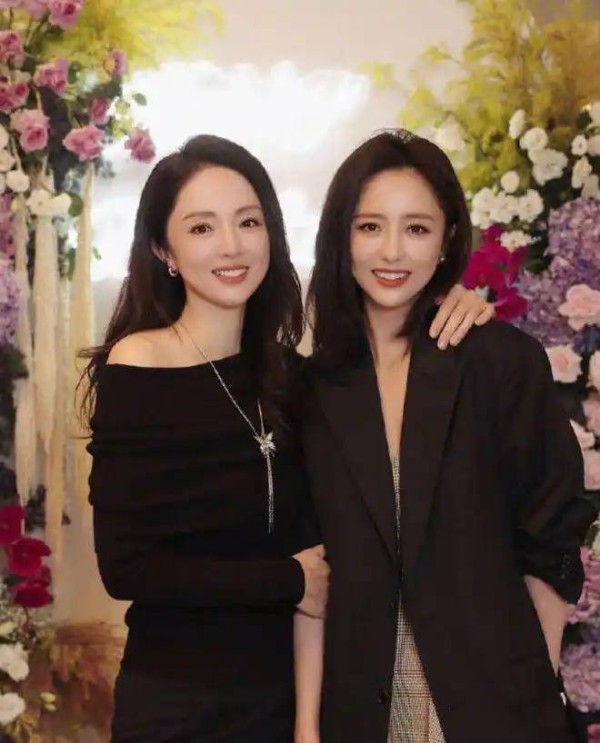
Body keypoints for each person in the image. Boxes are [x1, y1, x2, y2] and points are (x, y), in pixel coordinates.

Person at [83, 134, 491, 743]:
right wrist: (288, 581)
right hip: (178, 703)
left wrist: (452, 300)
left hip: (287, 702)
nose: (231, 245)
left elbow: (324, 542)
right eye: (201, 228)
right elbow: (127, 568)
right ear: (164, 249)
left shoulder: (294, 378)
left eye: (248, 222)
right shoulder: (141, 365)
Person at [298, 130, 596, 743]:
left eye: (416, 228)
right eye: (370, 226)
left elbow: (551, 533)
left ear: (446, 239)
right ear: (340, 237)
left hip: (492, 702)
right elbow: (312, 567)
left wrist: (531, 683)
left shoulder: (499, 361)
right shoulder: (312, 384)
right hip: (359, 706)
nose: (392, 251)